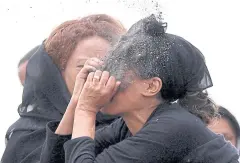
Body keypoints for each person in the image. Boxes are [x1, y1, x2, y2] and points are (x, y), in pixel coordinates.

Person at [38, 15, 239, 163]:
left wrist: (86, 110)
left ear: (151, 86)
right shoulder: (129, 126)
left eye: (116, 70)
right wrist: (78, 100)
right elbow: (57, 160)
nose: (105, 77)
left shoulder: (174, 127)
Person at [1, 14, 126, 163]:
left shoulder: (136, 124)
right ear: (58, 73)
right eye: (84, 66)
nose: (98, 74)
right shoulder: (27, 135)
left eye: (109, 65)